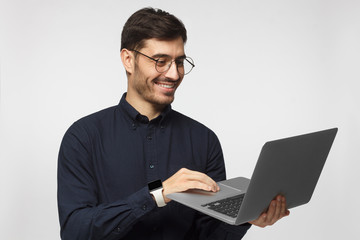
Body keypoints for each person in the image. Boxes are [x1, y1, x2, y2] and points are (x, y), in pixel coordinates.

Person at [57, 7, 289, 240]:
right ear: (128, 60)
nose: (174, 74)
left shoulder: (204, 140)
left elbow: (208, 235)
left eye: (179, 62)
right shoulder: (83, 137)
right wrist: (158, 194)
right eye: (160, 61)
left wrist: (243, 219)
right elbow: (75, 232)